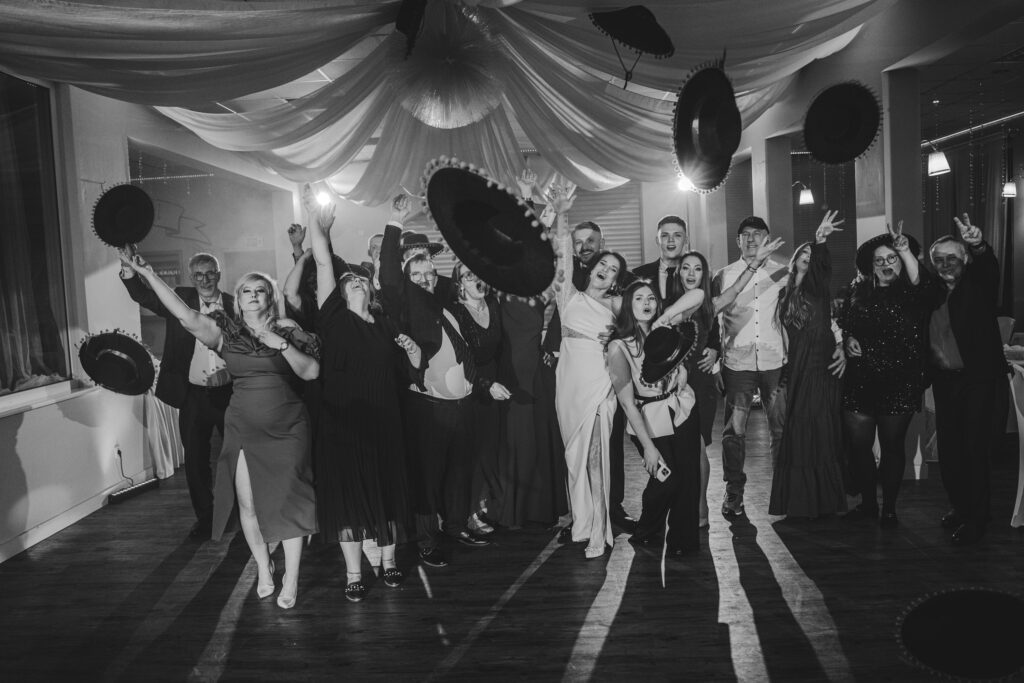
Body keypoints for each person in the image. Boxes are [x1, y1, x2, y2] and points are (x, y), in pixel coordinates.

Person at [120, 253, 319, 609]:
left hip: (288, 427)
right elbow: (185, 315)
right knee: (248, 504)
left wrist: (282, 345)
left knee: (289, 501)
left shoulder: (288, 329)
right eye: (246, 291)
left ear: (269, 297)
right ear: (238, 299)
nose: (253, 295)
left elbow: (311, 372)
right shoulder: (226, 332)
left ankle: (291, 577)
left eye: (260, 290)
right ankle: (264, 568)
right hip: (243, 425)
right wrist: (148, 273)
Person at [308, 203, 422, 601]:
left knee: (388, 489)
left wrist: (413, 354)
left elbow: (406, 369)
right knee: (349, 496)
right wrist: (318, 223)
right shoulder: (334, 320)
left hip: (385, 419)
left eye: (361, 279)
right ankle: (354, 573)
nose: (356, 282)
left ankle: (389, 562)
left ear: (370, 289)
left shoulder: (385, 323)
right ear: (339, 293)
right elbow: (323, 262)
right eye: (350, 281)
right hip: (343, 422)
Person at [378, 196, 492, 569]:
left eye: (429, 273)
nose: (426, 279)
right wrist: (395, 221)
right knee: (427, 478)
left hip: (461, 406)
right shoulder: (402, 303)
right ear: (405, 278)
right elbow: (390, 275)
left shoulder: (443, 302)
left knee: (458, 472)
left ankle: (456, 526)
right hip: (429, 410)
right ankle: (427, 541)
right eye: (417, 275)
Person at [119, 249, 234, 540]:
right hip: (193, 394)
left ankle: (238, 514)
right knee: (195, 460)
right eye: (199, 275)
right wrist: (130, 271)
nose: (205, 279)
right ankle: (206, 519)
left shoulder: (235, 304)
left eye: (210, 273)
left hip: (230, 395)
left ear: (219, 275)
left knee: (236, 456)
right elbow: (144, 297)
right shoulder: (180, 299)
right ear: (191, 278)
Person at [550, 187, 630, 559]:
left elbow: (643, 329)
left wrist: (618, 339)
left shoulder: (618, 304)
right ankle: (582, 523)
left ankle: (600, 529)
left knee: (596, 456)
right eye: (603, 265)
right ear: (594, 266)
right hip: (568, 383)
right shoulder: (568, 295)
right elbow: (562, 257)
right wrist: (561, 214)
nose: (606, 271)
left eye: (613, 270)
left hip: (599, 384)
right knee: (574, 458)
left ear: (615, 280)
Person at [924, 215, 1009, 544]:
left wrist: (978, 245)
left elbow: (989, 268)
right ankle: (960, 507)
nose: (946, 265)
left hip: (978, 381)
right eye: (939, 260)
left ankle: (978, 518)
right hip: (945, 382)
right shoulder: (932, 293)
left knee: (975, 450)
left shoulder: (978, 285)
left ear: (965, 259)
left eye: (953, 258)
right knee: (950, 452)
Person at [840, 221, 927, 528]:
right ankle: (868, 504)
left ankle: (889, 509)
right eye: (879, 260)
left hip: (899, 381)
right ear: (871, 266)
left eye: (892, 258)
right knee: (859, 448)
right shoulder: (857, 291)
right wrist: (846, 338)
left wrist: (905, 251)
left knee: (892, 448)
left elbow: (923, 286)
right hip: (860, 380)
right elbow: (845, 323)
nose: (886, 264)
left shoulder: (915, 293)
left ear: (902, 260)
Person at [608, 281, 704, 554]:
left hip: (682, 408)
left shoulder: (665, 328)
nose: (647, 303)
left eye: (651, 298)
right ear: (628, 306)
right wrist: (648, 448)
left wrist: (666, 317)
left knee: (688, 478)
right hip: (648, 417)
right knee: (666, 479)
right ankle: (647, 531)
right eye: (638, 298)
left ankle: (683, 543)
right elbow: (627, 403)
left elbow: (698, 295)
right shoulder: (619, 346)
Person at [768, 212, 849, 518]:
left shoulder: (818, 288)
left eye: (811, 254)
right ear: (794, 260)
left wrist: (820, 241)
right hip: (796, 365)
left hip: (820, 363)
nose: (808, 256)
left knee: (820, 425)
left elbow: (824, 268)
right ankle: (800, 501)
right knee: (798, 427)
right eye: (803, 252)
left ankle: (824, 500)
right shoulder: (783, 293)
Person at [710, 216, 790, 518]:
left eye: (758, 234)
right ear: (738, 241)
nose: (752, 239)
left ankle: (783, 490)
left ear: (767, 238)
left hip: (774, 360)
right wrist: (715, 365)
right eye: (746, 234)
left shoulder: (783, 272)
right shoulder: (723, 275)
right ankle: (734, 491)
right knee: (734, 431)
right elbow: (712, 320)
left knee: (780, 428)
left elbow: (795, 310)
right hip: (736, 362)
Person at [449, 263, 512, 534]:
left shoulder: (493, 304)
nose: (476, 279)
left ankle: (486, 506)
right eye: (468, 275)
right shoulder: (456, 312)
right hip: (471, 387)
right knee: (474, 454)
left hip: (495, 386)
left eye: (479, 274)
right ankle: (468, 514)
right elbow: (460, 358)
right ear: (460, 284)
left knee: (490, 449)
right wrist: (485, 385)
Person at [632, 215, 689, 302]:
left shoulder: (700, 275)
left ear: (686, 240)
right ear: (657, 240)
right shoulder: (638, 274)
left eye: (677, 235)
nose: (671, 240)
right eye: (665, 235)